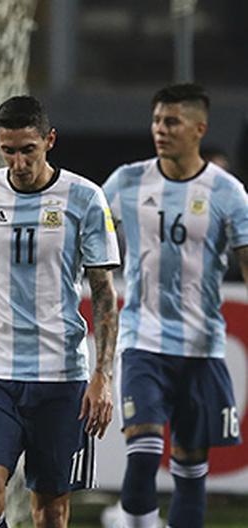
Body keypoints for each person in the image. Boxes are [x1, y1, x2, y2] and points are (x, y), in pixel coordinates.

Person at [0, 95, 120, 528]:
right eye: (9, 150)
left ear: (49, 141)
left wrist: (103, 375)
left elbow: (104, 295)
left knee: (52, 514)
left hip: (61, 379)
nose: (18, 162)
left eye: (28, 150)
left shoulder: (84, 198)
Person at [102, 84, 248, 528]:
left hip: (201, 347)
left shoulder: (228, 193)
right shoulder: (127, 181)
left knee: (189, 470)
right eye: (156, 121)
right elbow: (87, 234)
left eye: (172, 122)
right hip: (142, 338)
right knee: (143, 453)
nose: (160, 130)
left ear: (199, 128)